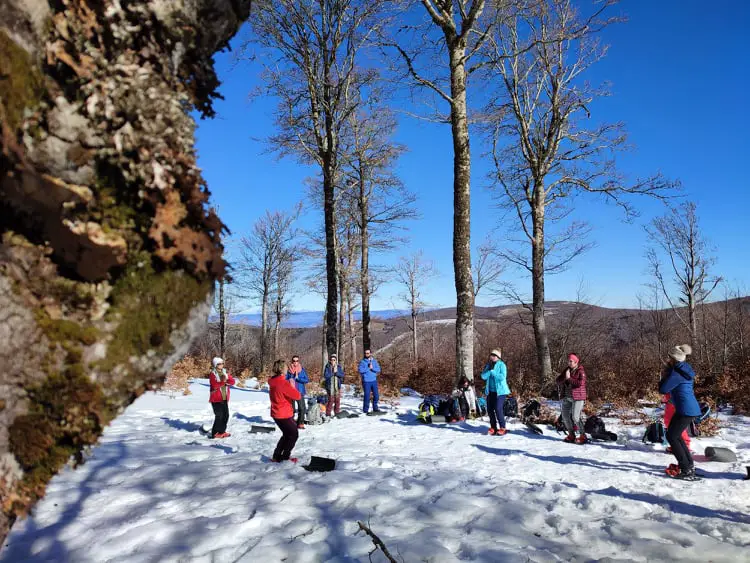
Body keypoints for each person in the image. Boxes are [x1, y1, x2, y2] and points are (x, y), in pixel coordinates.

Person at [659, 344, 701, 480]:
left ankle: (686, 469)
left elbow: (663, 389)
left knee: (672, 436)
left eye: (669, 357)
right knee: (675, 436)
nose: (667, 360)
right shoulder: (684, 369)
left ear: (673, 358)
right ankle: (689, 466)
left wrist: (665, 375)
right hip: (688, 408)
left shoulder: (676, 373)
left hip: (685, 409)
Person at [269, 359, 302, 463]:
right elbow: (297, 396)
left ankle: (276, 456)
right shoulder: (283, 383)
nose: (287, 369)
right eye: (286, 367)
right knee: (293, 434)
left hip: (276, 412)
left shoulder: (273, 381)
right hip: (283, 413)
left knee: (287, 434)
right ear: (282, 369)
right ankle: (284, 457)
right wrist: (292, 386)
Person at [556, 353, 587, 444]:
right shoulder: (567, 370)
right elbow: (558, 381)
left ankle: (583, 436)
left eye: (571, 361)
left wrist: (569, 378)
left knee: (575, 417)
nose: (569, 363)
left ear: (576, 362)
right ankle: (571, 435)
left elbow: (580, 383)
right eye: (568, 361)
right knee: (565, 417)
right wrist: (564, 378)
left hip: (578, 397)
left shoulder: (581, 371)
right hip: (567, 397)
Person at [480, 349, 510, 435]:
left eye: (494, 355)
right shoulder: (489, 365)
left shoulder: (502, 365)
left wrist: (493, 373)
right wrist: (489, 371)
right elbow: (483, 376)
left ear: (498, 357)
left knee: (498, 408)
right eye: (491, 355)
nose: (492, 357)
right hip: (490, 391)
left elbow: (502, 377)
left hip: (500, 392)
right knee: (489, 409)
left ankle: (502, 427)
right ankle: (493, 427)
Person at [208, 357, 235, 439]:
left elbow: (232, 382)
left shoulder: (225, 372)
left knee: (226, 415)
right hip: (216, 399)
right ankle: (215, 433)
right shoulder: (212, 374)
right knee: (219, 416)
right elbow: (215, 385)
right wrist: (223, 382)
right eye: (220, 364)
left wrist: (227, 379)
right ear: (216, 365)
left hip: (224, 398)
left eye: (222, 363)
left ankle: (222, 432)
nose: (222, 365)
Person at [286, 355, 309, 429]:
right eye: (294, 361)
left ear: (298, 361)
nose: (295, 362)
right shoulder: (289, 370)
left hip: (299, 391)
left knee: (302, 408)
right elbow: (285, 380)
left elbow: (306, 380)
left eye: (297, 361)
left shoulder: (302, 370)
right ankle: (291, 423)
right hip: (291, 392)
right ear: (292, 361)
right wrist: (290, 379)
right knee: (291, 409)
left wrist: (298, 378)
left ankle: (300, 423)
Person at [358, 349, 381, 414]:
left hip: (374, 380)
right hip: (366, 381)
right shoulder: (363, 362)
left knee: (376, 395)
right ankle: (365, 410)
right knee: (367, 396)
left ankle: (375, 408)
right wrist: (368, 368)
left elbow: (378, 369)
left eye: (368, 353)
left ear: (370, 353)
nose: (367, 354)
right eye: (365, 353)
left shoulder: (374, 361)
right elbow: (360, 370)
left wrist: (372, 368)